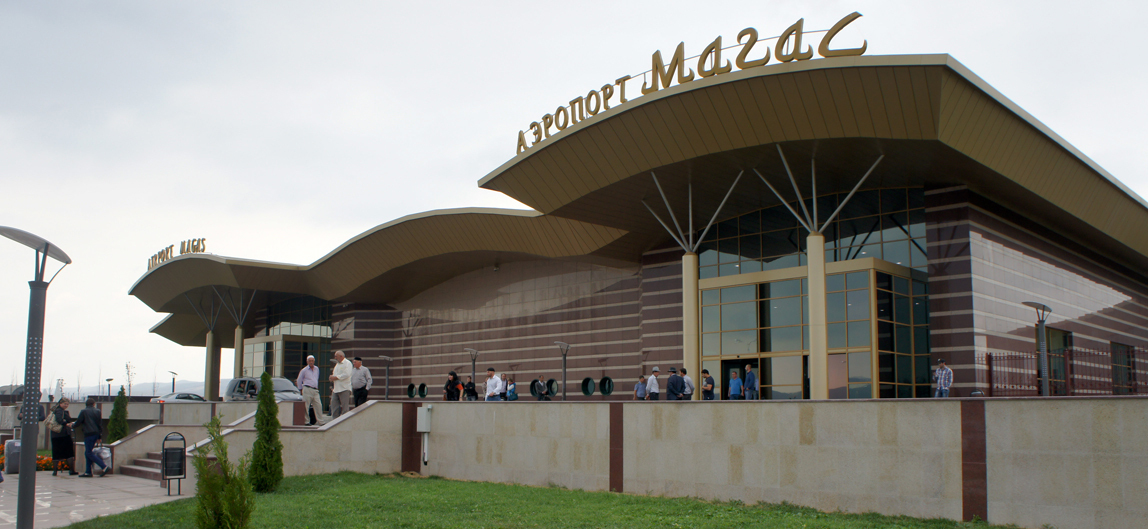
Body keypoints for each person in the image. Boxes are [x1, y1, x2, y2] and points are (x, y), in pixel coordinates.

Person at [74, 398, 108, 477]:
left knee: (88, 453)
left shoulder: (83, 411)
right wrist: (99, 436)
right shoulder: (98, 411)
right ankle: (88, 472)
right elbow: (100, 424)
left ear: (86, 404)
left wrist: (72, 425)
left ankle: (104, 466)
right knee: (88, 452)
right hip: (96, 433)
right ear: (93, 404)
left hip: (88, 434)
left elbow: (78, 422)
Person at [49, 398, 78, 476]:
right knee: (69, 452)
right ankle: (71, 470)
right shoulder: (60, 411)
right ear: (60, 404)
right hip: (63, 434)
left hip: (55, 434)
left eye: (67, 404)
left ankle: (55, 471)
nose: (66, 405)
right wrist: (67, 423)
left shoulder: (55, 410)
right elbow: (60, 420)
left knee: (56, 453)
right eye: (65, 404)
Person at [296, 355, 325, 426]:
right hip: (307, 388)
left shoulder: (316, 369)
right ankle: (306, 421)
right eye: (310, 361)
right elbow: (299, 380)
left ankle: (321, 421)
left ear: (314, 361)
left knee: (318, 405)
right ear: (307, 361)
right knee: (306, 406)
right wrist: (300, 389)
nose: (311, 362)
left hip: (315, 390)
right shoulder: (304, 370)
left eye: (312, 361)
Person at [329, 350, 353, 419]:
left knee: (345, 408)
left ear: (341, 356)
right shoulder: (337, 365)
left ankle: (345, 422)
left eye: (336, 356)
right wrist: (332, 378)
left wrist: (336, 377)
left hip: (344, 389)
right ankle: (335, 421)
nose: (335, 358)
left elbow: (347, 374)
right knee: (334, 406)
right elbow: (335, 375)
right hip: (336, 389)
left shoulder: (347, 363)